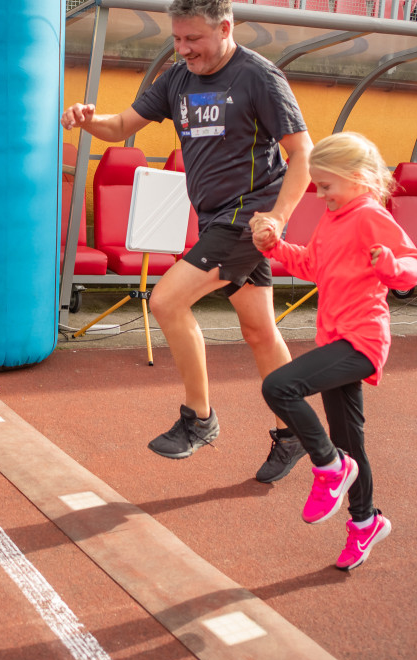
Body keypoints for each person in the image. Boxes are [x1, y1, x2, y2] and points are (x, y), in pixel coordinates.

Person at [60, 0, 314, 479]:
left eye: (193, 39)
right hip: (216, 218)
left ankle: (199, 419)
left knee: (167, 300)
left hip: (248, 217)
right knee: (260, 331)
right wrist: (85, 119)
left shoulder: (259, 77)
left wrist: (278, 218)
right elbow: (119, 128)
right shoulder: (178, 78)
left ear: (225, 27)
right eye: (177, 39)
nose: (183, 49)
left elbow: (302, 153)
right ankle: (293, 431)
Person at [250, 132, 417, 570]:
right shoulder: (333, 218)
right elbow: (312, 265)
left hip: (362, 339)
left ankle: (329, 467)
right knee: (352, 442)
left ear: (357, 178)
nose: (319, 193)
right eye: (317, 184)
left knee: (280, 386)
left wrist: (389, 264)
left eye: (326, 185)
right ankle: (364, 522)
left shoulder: (369, 214)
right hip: (335, 339)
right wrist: (273, 247)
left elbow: (415, 266)